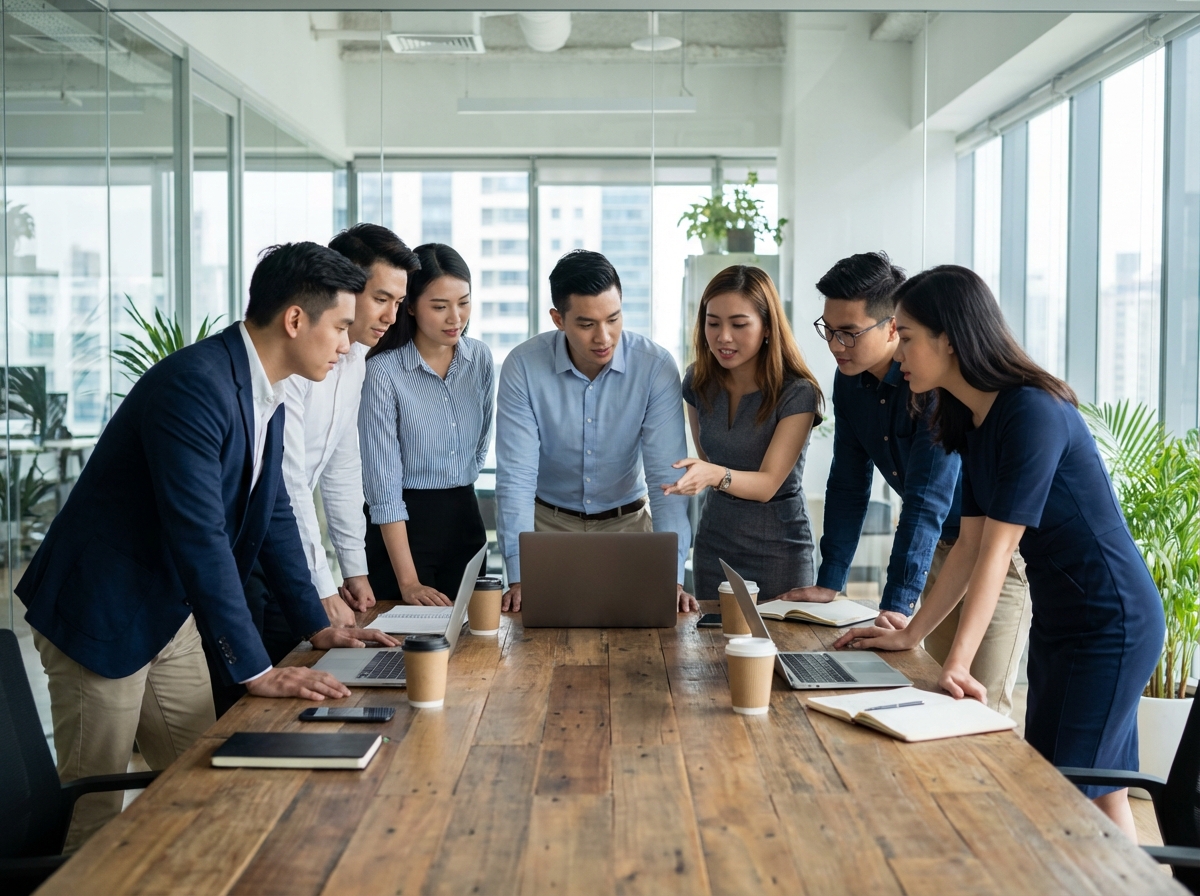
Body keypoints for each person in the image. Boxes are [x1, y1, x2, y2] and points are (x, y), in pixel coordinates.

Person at [16, 242, 397, 851]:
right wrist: (258, 670)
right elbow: (202, 537)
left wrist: (315, 626)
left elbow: (273, 512)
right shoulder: (194, 385)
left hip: (170, 610)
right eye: (341, 327)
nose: (349, 343)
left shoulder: (265, 390)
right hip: (103, 611)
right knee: (94, 815)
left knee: (205, 779)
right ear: (295, 320)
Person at [833, 265, 1164, 840]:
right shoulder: (969, 416)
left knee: (1062, 791)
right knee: (1096, 787)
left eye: (907, 336)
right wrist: (912, 634)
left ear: (951, 338)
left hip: (1111, 621)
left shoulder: (1030, 411)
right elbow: (969, 543)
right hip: (1067, 620)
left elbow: (998, 552)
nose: (899, 350)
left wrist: (956, 662)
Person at [779, 252, 1031, 716]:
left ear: (892, 326)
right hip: (941, 553)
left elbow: (925, 501)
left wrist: (895, 606)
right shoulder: (849, 381)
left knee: (980, 708)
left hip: (995, 555)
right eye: (828, 329)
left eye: (849, 332)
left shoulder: (932, 382)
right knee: (930, 695)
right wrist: (829, 581)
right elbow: (848, 481)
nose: (836, 344)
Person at [205, 225, 420, 717]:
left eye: (399, 301)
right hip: (252, 559)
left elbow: (340, 468)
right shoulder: (279, 370)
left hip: (276, 546)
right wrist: (321, 589)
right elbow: (289, 486)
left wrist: (354, 568)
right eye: (380, 298)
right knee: (255, 700)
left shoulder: (352, 359)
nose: (392, 316)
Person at [496, 249, 695, 613]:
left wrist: (673, 575)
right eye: (586, 324)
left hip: (629, 530)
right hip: (546, 532)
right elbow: (516, 478)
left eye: (613, 319)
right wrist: (519, 573)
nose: (604, 337)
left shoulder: (654, 367)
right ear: (558, 319)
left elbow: (668, 483)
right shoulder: (523, 366)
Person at [663, 265, 822, 603]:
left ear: (767, 327)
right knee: (713, 649)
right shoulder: (697, 381)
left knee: (781, 653)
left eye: (739, 324)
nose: (723, 337)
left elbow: (766, 485)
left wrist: (713, 475)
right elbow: (708, 459)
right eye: (713, 322)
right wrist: (705, 475)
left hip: (780, 549)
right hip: (714, 542)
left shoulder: (797, 392)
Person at [360, 243, 494, 605]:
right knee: (402, 652)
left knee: (470, 646)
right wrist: (409, 582)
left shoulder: (479, 358)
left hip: (466, 520)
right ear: (412, 306)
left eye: (463, 302)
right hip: (402, 530)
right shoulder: (383, 372)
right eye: (440, 306)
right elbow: (383, 486)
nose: (456, 317)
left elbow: (481, 442)